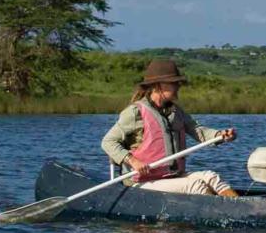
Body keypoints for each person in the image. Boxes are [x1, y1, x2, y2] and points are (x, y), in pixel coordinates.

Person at [101, 60, 240, 197]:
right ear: (158, 86)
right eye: (174, 83)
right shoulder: (135, 112)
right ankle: (219, 210)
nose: (178, 86)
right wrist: (133, 161)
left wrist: (219, 135)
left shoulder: (176, 112)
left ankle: (237, 206)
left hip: (169, 176)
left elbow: (198, 131)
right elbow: (108, 142)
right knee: (195, 185)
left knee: (212, 177)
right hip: (140, 182)